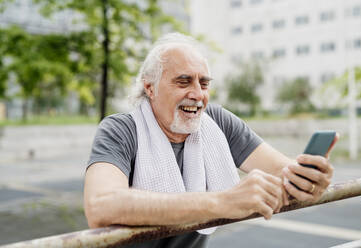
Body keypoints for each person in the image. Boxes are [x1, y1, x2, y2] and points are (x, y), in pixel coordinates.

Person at [84, 33, 338, 248]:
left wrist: (308, 180)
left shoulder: (216, 120)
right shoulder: (120, 129)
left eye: (204, 83)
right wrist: (223, 201)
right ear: (150, 88)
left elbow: (283, 172)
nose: (197, 94)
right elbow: (101, 206)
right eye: (183, 81)